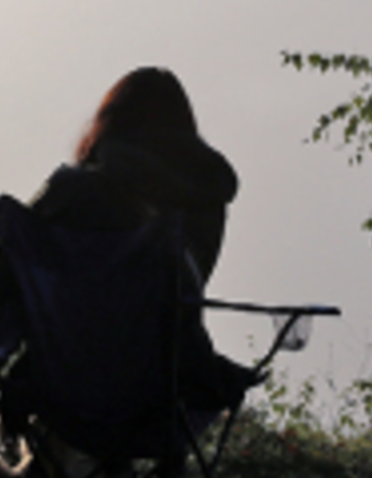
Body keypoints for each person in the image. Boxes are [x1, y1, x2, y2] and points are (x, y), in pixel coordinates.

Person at [28, 66, 258, 414]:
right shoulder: (206, 195)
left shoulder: (82, 190)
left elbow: (10, 261)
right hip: (166, 377)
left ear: (111, 120)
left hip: (67, 367)